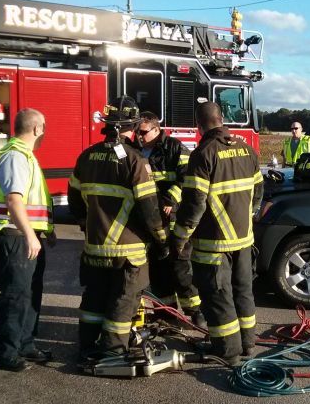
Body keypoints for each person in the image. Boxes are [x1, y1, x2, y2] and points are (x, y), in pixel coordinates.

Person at [68, 96, 167, 362]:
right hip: (129, 251)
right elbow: (149, 209)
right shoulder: (135, 161)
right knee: (122, 302)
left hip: (94, 248)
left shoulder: (86, 157)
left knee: (94, 301)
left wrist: (85, 225)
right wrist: (161, 240)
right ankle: (112, 352)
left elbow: (74, 200)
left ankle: (87, 346)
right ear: (133, 127)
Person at [172, 102, 263, 363]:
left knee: (218, 295)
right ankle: (247, 343)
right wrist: (246, 219)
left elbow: (194, 203)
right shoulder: (247, 149)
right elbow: (258, 192)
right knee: (243, 290)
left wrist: (180, 236)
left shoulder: (203, 154)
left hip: (214, 243)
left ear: (198, 126)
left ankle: (226, 351)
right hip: (244, 239)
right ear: (222, 119)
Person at [0, 108, 56, 372]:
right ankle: (6, 353)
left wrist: (46, 231)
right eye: (44, 126)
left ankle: (25, 344)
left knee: (30, 293)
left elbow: (31, 201)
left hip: (24, 235)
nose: (45, 131)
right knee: (15, 296)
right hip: (12, 236)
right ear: (37, 129)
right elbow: (14, 200)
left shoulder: (24, 155)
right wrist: (29, 236)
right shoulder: (15, 156)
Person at [136, 112, 205, 328]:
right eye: (138, 131)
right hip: (151, 221)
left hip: (172, 218)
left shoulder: (175, 148)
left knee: (180, 269)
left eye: (144, 132)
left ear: (157, 129)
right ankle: (167, 315)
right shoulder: (136, 150)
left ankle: (196, 313)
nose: (139, 136)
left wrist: (170, 200)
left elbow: (188, 177)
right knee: (158, 272)